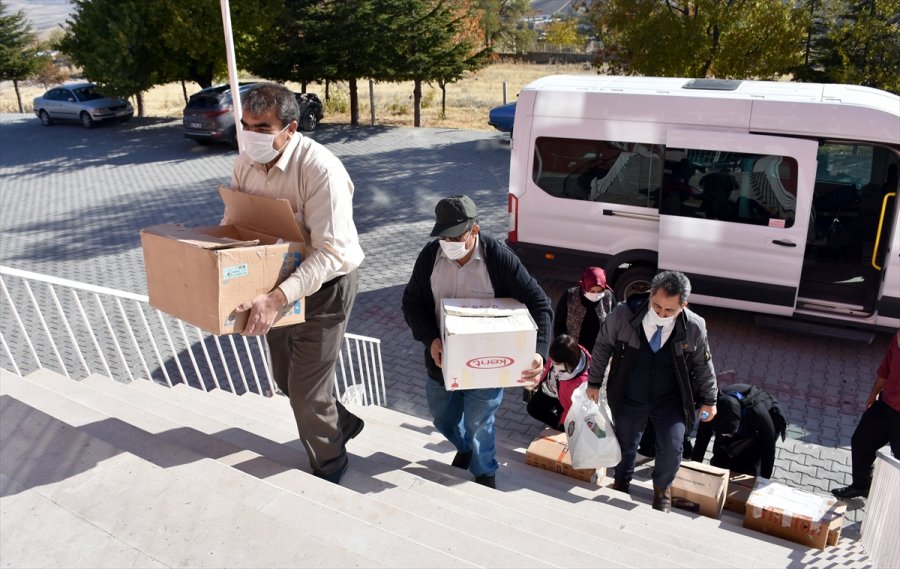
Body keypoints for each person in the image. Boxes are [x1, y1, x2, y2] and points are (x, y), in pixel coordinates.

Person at [227, 83, 366, 485]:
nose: (252, 135)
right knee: (285, 379)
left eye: (263, 127)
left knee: (306, 392)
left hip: (327, 285)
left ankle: (331, 466)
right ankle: (343, 422)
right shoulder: (243, 167)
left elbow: (331, 254)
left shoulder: (321, 170)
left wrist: (276, 298)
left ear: (290, 128)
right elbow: (238, 228)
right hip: (277, 285)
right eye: (246, 125)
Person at [402, 195, 552, 489]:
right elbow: (412, 303)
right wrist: (431, 339)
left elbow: (540, 303)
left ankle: (485, 472)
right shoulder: (430, 256)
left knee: (480, 421)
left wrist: (539, 353)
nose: (449, 242)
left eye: (456, 236)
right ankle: (465, 446)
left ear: (475, 230)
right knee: (442, 419)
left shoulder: (498, 257)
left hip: (487, 365)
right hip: (441, 364)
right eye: (444, 236)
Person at [586, 271, 718, 512]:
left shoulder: (695, 326)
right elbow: (603, 345)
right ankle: (621, 482)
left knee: (672, 446)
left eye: (669, 310)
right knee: (625, 444)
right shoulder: (623, 315)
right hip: (630, 395)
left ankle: (662, 491)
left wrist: (710, 399)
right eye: (656, 306)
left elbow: (703, 363)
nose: (661, 314)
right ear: (649, 296)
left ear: (683, 305)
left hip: (670, 400)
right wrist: (594, 383)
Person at [832, 330, 900, 499]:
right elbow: (885, 369)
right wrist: (873, 395)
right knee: (861, 441)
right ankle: (861, 486)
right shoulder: (897, 337)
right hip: (885, 404)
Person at [690, 384, 787, 479]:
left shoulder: (758, 413)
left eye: (729, 434)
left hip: (757, 431)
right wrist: (693, 467)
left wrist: (764, 479)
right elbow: (702, 438)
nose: (728, 436)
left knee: (747, 468)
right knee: (719, 462)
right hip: (734, 423)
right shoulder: (711, 409)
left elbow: (768, 448)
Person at [526, 334, 591, 430]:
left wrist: (562, 424)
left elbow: (572, 410)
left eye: (556, 364)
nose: (552, 364)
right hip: (550, 389)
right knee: (533, 408)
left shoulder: (580, 383)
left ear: (567, 362)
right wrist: (538, 380)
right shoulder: (562, 353)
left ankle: (559, 428)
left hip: (564, 403)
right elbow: (548, 367)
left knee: (563, 426)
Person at [553, 267, 616, 351]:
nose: (596, 294)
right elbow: (559, 324)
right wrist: (563, 346)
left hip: (599, 352)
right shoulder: (570, 296)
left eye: (600, 291)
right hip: (573, 350)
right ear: (584, 286)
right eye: (592, 291)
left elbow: (615, 324)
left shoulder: (608, 297)